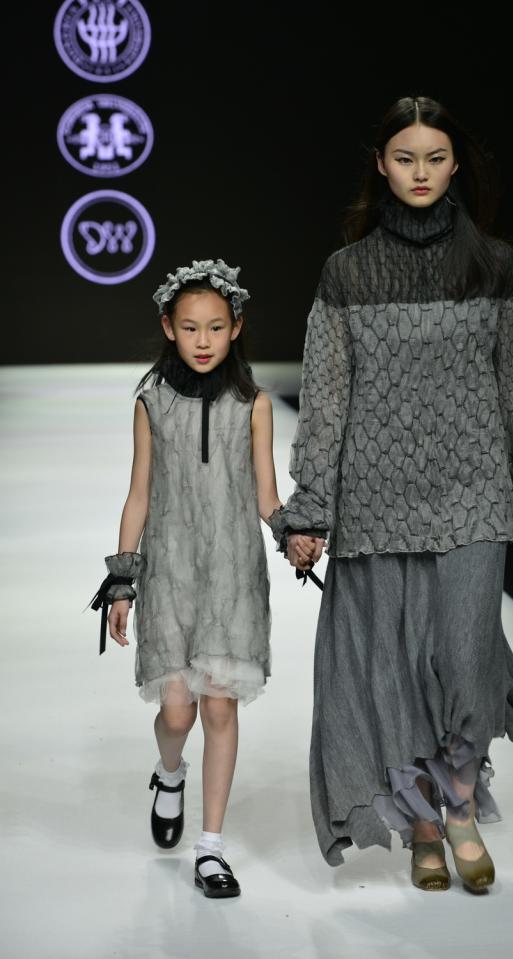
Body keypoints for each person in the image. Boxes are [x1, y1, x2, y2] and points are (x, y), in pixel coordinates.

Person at [268, 96, 513, 894]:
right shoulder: (347, 273)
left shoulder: (494, 265)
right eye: (405, 158)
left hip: (474, 493)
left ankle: (458, 797)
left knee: (466, 661)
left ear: (456, 164)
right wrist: (310, 508)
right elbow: (326, 399)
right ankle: (427, 822)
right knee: (391, 671)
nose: (420, 172)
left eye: (434, 158)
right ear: (381, 165)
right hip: (375, 499)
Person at [89, 259, 306, 898]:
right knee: (177, 713)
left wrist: (291, 532)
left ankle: (210, 848)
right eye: (190, 328)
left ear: (236, 327)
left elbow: (266, 495)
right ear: (168, 327)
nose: (203, 340)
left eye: (215, 327)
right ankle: (169, 771)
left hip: (233, 575)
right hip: (171, 572)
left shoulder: (254, 405)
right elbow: (139, 494)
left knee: (218, 705)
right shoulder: (151, 403)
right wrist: (122, 579)